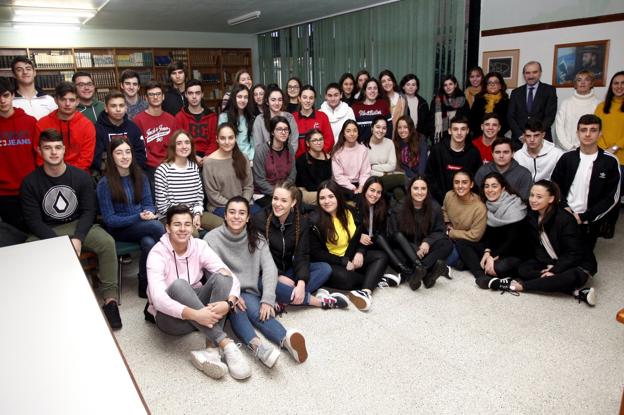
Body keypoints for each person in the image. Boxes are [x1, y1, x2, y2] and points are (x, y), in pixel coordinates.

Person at [21, 129, 121, 329]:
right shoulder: (30, 182)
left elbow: (89, 210)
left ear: (64, 149)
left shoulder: (80, 177)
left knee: (107, 243)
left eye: (58, 147)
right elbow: (33, 221)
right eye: (48, 148)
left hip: (78, 224)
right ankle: (43, 304)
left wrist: (78, 237)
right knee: (27, 251)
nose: (54, 152)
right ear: (39, 151)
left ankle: (110, 300)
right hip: (47, 229)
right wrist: (59, 244)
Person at [146, 204, 250, 380]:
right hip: (171, 320)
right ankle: (225, 343)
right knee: (180, 285)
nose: (183, 229)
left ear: (193, 226)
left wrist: (229, 302)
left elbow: (229, 275)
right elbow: (158, 300)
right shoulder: (157, 254)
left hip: (200, 311)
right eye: (177, 224)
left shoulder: (200, 246)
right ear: (168, 227)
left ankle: (210, 349)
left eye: (187, 224)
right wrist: (195, 314)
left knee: (222, 277)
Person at [205, 197, 308, 367]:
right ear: (224, 215)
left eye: (241, 213)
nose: (236, 216)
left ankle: (286, 339)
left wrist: (267, 299)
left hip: (249, 289)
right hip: (226, 290)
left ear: (248, 218)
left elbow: (270, 269)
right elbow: (211, 272)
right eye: (232, 212)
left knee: (259, 312)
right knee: (236, 309)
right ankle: (259, 348)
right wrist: (232, 295)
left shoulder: (257, 238)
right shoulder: (211, 239)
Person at [498, 181, 596, 306]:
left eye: (539, 197)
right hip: (551, 261)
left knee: (571, 277)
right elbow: (537, 247)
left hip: (576, 263)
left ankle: (522, 286)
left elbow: (574, 253)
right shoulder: (532, 215)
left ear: (551, 199)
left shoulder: (565, 219)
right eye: (532, 195)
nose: (533, 200)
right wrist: (549, 264)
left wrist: (555, 270)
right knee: (523, 269)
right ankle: (574, 291)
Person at [252, 181, 346, 310]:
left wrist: (301, 282)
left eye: (284, 201)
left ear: (293, 203)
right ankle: (317, 301)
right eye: (275, 199)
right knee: (261, 283)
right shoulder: (259, 220)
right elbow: (257, 258)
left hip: (289, 271)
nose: (277, 204)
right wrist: (278, 276)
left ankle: (284, 299)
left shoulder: (301, 221)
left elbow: (302, 255)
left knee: (324, 269)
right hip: (267, 273)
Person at [551, 114, 621, 275]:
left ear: (600, 133)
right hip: (565, 215)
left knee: (581, 259)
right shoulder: (567, 158)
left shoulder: (610, 161)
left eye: (593, 130)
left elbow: (611, 198)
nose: (588, 134)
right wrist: (564, 208)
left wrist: (585, 217)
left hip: (589, 221)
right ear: (578, 133)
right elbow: (554, 187)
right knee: (557, 257)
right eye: (583, 130)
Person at [96, 137, 165, 298]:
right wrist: (138, 217)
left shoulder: (140, 176)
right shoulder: (105, 184)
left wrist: (148, 212)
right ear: (111, 157)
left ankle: (144, 282)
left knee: (148, 241)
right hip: (119, 229)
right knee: (156, 227)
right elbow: (109, 219)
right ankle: (172, 270)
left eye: (128, 152)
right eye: (119, 153)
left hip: (140, 225)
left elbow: (149, 203)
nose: (124, 156)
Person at [309, 180, 388, 311]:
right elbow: (317, 254)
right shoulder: (314, 221)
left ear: (338, 197)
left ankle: (365, 292)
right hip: (332, 261)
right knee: (347, 279)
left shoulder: (349, 211)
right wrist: (344, 261)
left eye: (330, 196)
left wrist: (360, 252)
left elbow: (360, 232)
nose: (326, 201)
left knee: (381, 257)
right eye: (322, 198)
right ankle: (373, 279)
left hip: (350, 254)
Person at [456, 172, 528, 290]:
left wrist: (492, 256)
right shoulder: (488, 206)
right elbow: (488, 235)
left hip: (513, 252)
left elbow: (512, 240)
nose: (490, 190)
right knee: (461, 242)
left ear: (503, 188)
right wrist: (487, 251)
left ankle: (475, 265)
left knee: (497, 268)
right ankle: (481, 276)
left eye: (494, 186)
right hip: (494, 249)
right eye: (487, 186)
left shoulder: (514, 206)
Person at [387, 175, 453, 289]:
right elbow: (392, 235)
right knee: (395, 253)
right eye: (416, 188)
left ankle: (419, 271)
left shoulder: (434, 207)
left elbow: (440, 231)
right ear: (409, 189)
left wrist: (427, 242)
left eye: (423, 188)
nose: (419, 192)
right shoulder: (399, 208)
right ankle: (428, 274)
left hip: (426, 248)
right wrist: (413, 248)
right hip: (407, 250)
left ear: (427, 190)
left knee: (446, 244)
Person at [154, 130, 222, 234]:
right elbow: (163, 207)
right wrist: (188, 219)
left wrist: (197, 214)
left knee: (222, 225)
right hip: (170, 217)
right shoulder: (162, 170)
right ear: (173, 147)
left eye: (187, 142)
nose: (184, 146)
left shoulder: (194, 167)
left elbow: (199, 197)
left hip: (193, 213)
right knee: (193, 233)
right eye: (179, 143)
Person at [0, 77, 38, 233]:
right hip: (3, 194)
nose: (2, 100)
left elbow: (39, 155)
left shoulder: (30, 122)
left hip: (30, 190)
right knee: (14, 238)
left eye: (5, 95)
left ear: (13, 95)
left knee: (36, 234)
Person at [36, 82, 96, 172]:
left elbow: (86, 158)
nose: (67, 104)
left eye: (71, 100)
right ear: (55, 100)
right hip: (49, 174)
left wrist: (68, 175)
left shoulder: (87, 125)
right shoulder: (42, 124)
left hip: (78, 174)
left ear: (77, 101)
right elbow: (40, 156)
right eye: (63, 99)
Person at [426, 115, 482, 203]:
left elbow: (477, 179)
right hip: (439, 200)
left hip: (465, 201)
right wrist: (442, 198)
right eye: (455, 129)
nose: (459, 133)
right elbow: (429, 176)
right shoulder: (437, 150)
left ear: (467, 131)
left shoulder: (474, 153)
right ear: (449, 131)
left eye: (463, 129)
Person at [202, 123, 254, 217]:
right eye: (222, 138)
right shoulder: (209, 163)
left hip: (244, 203)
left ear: (235, 138)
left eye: (230, 138)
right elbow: (213, 195)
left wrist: (243, 203)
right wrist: (235, 206)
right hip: (221, 206)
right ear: (217, 139)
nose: (227, 142)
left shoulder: (243, 158)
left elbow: (248, 186)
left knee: (260, 219)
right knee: (237, 220)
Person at [133, 81, 178, 187]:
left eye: (158, 94)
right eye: (151, 94)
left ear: (163, 97)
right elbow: (139, 148)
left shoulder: (171, 119)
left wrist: (169, 161)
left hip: (170, 164)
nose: (155, 97)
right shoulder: (138, 120)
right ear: (146, 98)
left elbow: (175, 144)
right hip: (149, 168)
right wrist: (157, 165)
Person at [92, 90, 147, 175]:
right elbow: (96, 159)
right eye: (113, 106)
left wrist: (129, 171)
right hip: (108, 174)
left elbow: (141, 156)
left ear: (126, 108)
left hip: (132, 173)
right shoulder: (97, 129)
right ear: (106, 108)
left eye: (121, 105)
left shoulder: (133, 128)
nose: (118, 109)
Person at [442, 170, 487, 269]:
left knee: (447, 259)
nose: (460, 186)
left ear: (471, 184)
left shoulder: (479, 207)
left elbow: (475, 235)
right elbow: (444, 210)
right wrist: (447, 223)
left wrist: (452, 233)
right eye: (456, 182)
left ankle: (461, 262)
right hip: (449, 236)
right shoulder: (449, 195)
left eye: (464, 182)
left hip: (466, 243)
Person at [508, 61, 558, 146]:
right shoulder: (515, 92)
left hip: (542, 140)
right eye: (527, 73)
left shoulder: (549, 90)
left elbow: (550, 116)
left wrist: (536, 135)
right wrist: (520, 135)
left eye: (535, 72)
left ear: (540, 73)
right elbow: (510, 116)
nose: (531, 76)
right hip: (519, 141)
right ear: (523, 75)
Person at [252, 116, 297, 207]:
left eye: (286, 129)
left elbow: (292, 174)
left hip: (285, 191)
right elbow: (259, 180)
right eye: (279, 129)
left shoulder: (290, 149)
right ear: (272, 132)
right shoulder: (261, 150)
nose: (283, 132)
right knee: (281, 207)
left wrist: (283, 191)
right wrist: (278, 194)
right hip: (263, 194)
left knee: (298, 205)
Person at [175, 79, 218, 166]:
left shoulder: (212, 117)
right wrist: (193, 157)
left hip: (209, 158)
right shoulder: (179, 117)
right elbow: (178, 142)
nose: (194, 97)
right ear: (186, 95)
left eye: (197, 93)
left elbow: (214, 141)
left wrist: (207, 157)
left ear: (202, 94)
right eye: (190, 93)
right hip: (187, 157)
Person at [555, 70, 599, 151]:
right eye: (579, 80)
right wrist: (569, 147)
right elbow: (559, 127)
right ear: (575, 84)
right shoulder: (566, 103)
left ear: (592, 83)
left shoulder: (598, 104)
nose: (583, 82)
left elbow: (597, 130)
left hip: (588, 150)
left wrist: (582, 148)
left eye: (587, 79)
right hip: (564, 150)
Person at [595, 71, 624, 188]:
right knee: (600, 192)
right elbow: (595, 128)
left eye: (623, 83)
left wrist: (615, 147)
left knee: (616, 193)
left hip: (621, 159)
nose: (619, 86)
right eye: (616, 83)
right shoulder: (601, 106)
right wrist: (604, 149)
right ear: (611, 86)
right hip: (603, 156)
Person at [252, 86, 299, 154]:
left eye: (280, 100)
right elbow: (258, 145)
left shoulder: (289, 117)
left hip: (287, 159)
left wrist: (285, 158)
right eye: (273, 100)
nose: (277, 103)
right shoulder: (259, 120)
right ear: (267, 102)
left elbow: (294, 143)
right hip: (266, 160)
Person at [368, 115, 405, 199]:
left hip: (389, 178)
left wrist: (374, 166)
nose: (381, 130)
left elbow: (392, 166)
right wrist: (383, 173)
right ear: (372, 128)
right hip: (372, 180)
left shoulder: (389, 143)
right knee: (401, 178)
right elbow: (366, 170)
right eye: (378, 127)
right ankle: (416, 185)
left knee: (399, 191)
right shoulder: (364, 145)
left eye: (384, 128)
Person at [331, 120, 371, 197]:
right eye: (348, 131)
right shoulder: (337, 152)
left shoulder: (363, 149)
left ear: (358, 133)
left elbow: (365, 173)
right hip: (343, 185)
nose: (352, 134)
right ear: (344, 134)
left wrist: (361, 187)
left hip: (360, 183)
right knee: (353, 196)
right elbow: (338, 177)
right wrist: (353, 188)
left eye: (355, 131)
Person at [294, 85, 334, 157]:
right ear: (299, 98)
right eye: (304, 97)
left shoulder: (322, 116)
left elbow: (329, 141)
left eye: (311, 98)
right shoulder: (292, 118)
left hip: (318, 160)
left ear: (314, 99)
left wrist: (317, 155)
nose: (308, 101)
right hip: (297, 161)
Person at [218, 84, 255, 162]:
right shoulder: (224, 117)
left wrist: (251, 158)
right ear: (234, 98)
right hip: (229, 158)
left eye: (246, 97)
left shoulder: (251, 117)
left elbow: (253, 142)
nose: (243, 100)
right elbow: (222, 142)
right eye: (239, 97)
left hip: (248, 158)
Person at [295, 128, 332, 205]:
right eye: (314, 140)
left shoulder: (328, 158)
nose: (319, 142)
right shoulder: (301, 160)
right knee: (326, 198)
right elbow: (307, 185)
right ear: (308, 143)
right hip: (307, 192)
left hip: (326, 191)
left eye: (321, 139)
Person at [351, 78, 392, 145]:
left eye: (375, 88)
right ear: (364, 91)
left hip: (381, 146)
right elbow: (352, 129)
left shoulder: (383, 104)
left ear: (378, 91)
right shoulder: (355, 107)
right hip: (361, 147)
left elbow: (389, 128)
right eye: (369, 88)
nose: (372, 91)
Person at [431, 75, 470, 143]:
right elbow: (430, 120)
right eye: (445, 85)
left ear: (455, 85)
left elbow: (467, 120)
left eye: (450, 84)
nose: (448, 87)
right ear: (443, 87)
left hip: (458, 138)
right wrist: (433, 135)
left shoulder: (463, 101)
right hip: (440, 139)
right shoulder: (436, 101)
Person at [469, 72, 509, 137]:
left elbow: (507, 123)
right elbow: (472, 120)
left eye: (495, 82)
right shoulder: (479, 100)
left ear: (500, 86)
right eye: (489, 82)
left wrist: (494, 134)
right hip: (479, 136)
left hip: (498, 138)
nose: (492, 85)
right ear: (486, 86)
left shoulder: (506, 102)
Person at [399, 73, 431, 137]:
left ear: (416, 87)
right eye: (408, 84)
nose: (411, 87)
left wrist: (424, 136)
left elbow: (427, 122)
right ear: (403, 87)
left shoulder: (423, 103)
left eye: (413, 85)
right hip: (402, 135)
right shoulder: (398, 101)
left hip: (419, 136)